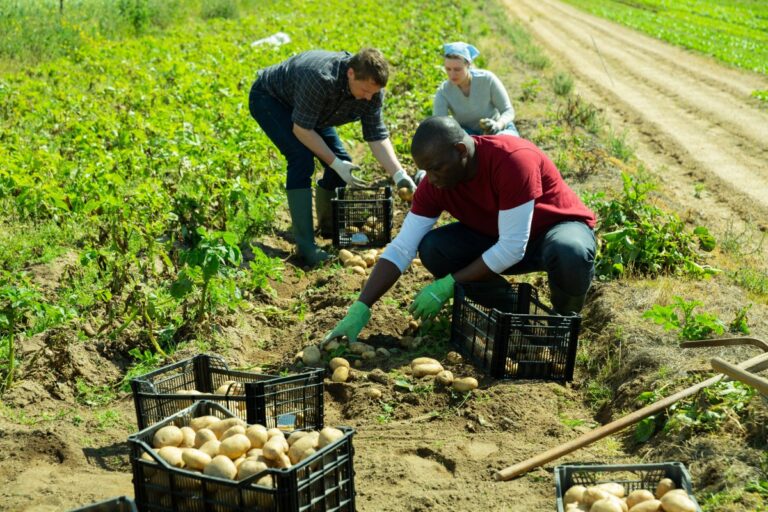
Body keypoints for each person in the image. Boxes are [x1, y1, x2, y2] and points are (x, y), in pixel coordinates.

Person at [323, 116, 596, 344]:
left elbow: (513, 247)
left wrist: (450, 284)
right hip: (498, 236)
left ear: (461, 151)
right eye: (424, 171)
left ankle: (562, 325)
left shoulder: (512, 161)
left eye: (436, 168)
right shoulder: (435, 184)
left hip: (552, 230)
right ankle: (517, 311)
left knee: (570, 251)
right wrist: (362, 306)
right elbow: (403, 247)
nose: (430, 178)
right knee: (433, 249)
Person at [249, 48, 417, 266]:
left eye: (373, 93)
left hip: (314, 112)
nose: (369, 97)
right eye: (365, 90)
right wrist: (336, 164)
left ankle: (328, 228)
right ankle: (306, 247)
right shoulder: (319, 78)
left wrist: (399, 174)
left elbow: (376, 136)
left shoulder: (372, 91)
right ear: (350, 73)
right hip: (271, 100)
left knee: (341, 160)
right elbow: (302, 130)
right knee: (301, 159)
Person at [434, 42, 520, 137]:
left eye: (457, 69)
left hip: (499, 130)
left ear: (468, 65)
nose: (452, 74)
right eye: (448, 69)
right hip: (469, 136)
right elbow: (440, 125)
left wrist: (498, 125)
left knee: (503, 143)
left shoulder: (487, 79)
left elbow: (508, 110)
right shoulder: (444, 92)